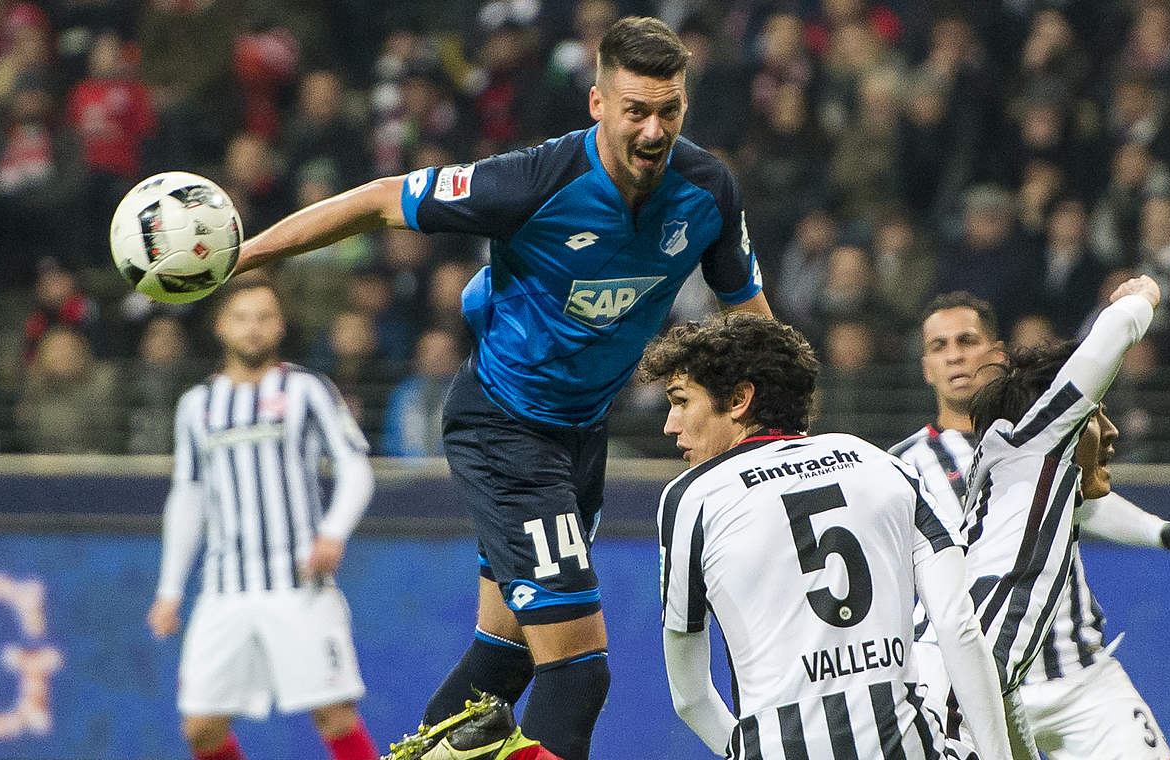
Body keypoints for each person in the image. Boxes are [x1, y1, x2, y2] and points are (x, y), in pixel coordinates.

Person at [230, 17, 770, 760]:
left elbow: (753, 321)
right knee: (578, 674)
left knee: (504, 658)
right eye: (635, 111)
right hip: (505, 431)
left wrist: (790, 433)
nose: (653, 130)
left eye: (668, 111)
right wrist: (244, 255)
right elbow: (380, 199)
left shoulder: (707, 191)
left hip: (580, 437)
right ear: (597, 105)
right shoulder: (532, 181)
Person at [637, 314, 1014, 760]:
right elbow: (959, 627)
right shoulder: (885, 465)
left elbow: (690, 698)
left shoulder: (690, 497)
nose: (670, 424)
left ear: (739, 399)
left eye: (681, 401)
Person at [892, 284, 1170, 759]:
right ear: (924, 367)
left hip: (1075, 672)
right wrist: (1143, 295)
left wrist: (1161, 532)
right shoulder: (902, 466)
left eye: (966, 341)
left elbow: (1086, 499)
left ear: (996, 353)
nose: (953, 357)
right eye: (938, 347)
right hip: (972, 676)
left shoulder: (1042, 436)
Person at [145, 279, 380, 760]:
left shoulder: (307, 389)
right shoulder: (196, 406)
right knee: (201, 728)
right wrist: (169, 589)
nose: (253, 329)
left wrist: (333, 533)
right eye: (241, 317)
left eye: (264, 317)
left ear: (280, 326)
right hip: (224, 587)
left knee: (335, 716)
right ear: (220, 326)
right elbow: (188, 496)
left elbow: (356, 467)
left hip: (300, 583)